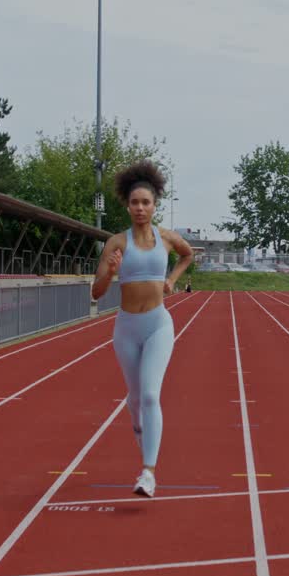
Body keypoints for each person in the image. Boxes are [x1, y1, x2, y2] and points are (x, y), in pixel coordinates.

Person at [91, 160, 193, 498]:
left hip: (158, 324)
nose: (140, 208)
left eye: (145, 202)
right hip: (126, 328)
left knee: (151, 395)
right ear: (127, 204)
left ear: (154, 205)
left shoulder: (166, 239)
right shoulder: (117, 243)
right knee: (135, 400)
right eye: (134, 202)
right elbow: (96, 291)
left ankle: (148, 472)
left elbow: (187, 255)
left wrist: (171, 280)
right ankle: (137, 426)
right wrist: (111, 272)